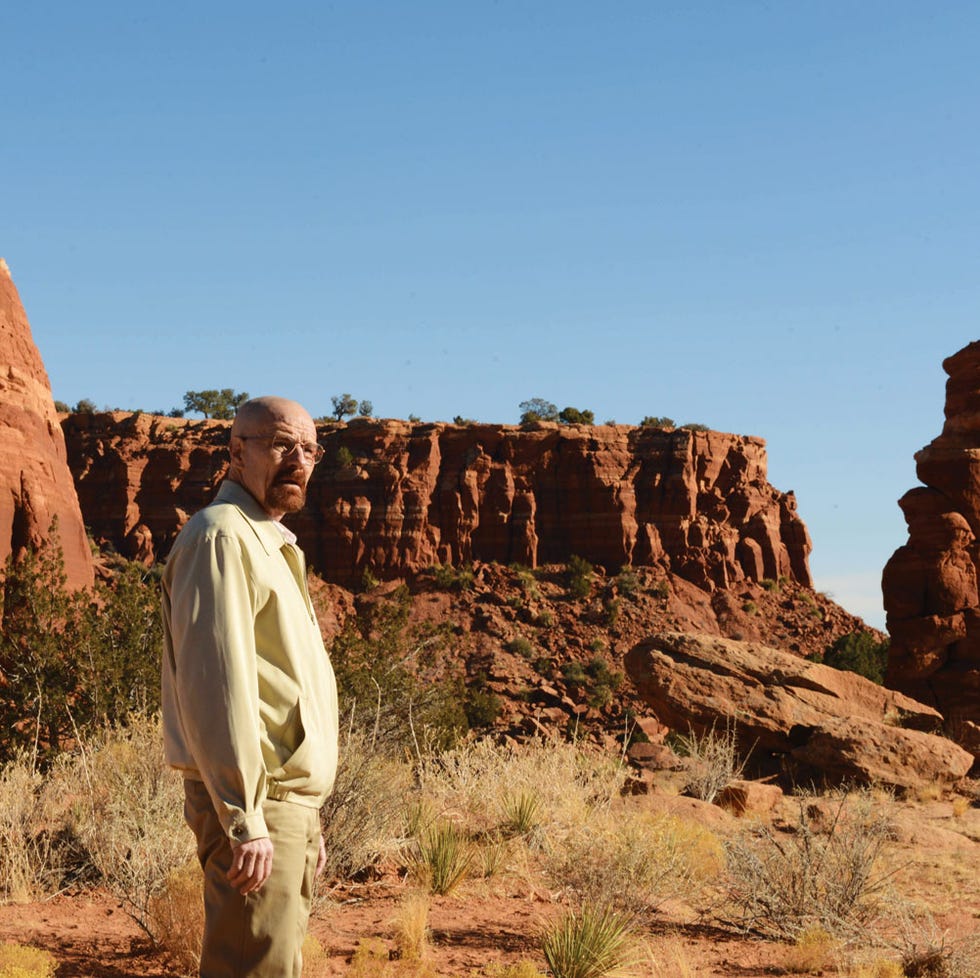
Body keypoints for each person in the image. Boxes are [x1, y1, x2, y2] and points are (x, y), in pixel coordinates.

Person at [161, 395, 339, 978]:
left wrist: (303, 816)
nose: (298, 460)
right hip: (261, 806)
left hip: (286, 809)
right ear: (237, 451)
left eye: (308, 449)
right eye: (281, 444)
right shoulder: (222, 536)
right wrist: (246, 819)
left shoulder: (269, 541)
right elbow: (219, 685)